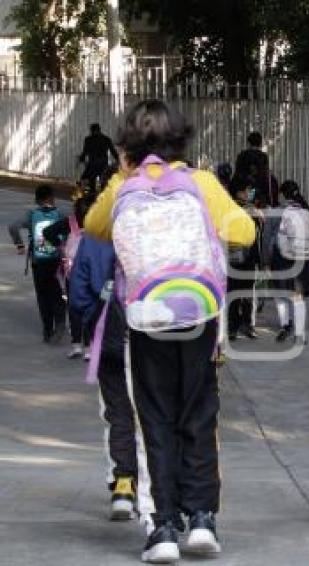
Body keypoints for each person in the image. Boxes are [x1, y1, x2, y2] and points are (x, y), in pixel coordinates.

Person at [85, 100, 256, 564]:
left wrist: (126, 177)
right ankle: (201, 518)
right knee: (199, 414)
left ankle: (161, 527)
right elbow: (243, 233)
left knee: (154, 419)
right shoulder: (200, 183)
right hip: (198, 316)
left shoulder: (124, 187)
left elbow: (93, 226)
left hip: (145, 319)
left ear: (127, 147)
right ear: (181, 139)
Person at [69, 222, 138, 521]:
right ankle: (158, 493)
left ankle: (122, 484)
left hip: (109, 332)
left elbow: (77, 291)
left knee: (115, 408)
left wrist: (94, 318)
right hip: (156, 335)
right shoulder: (163, 226)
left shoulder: (95, 236)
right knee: (156, 413)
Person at [8, 184, 67, 343]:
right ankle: (60, 322)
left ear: (36, 199)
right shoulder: (60, 214)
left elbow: (13, 227)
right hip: (56, 260)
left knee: (43, 296)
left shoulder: (31, 215)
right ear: (52, 198)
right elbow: (70, 230)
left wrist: (20, 245)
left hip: (38, 262)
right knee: (57, 292)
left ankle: (47, 330)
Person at [262, 180, 309, 344]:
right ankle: (300, 334)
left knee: (281, 294)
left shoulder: (276, 212)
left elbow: (266, 239)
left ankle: (285, 327)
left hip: (281, 258)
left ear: (281, 194)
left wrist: (265, 261)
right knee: (297, 296)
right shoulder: (306, 211)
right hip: (303, 258)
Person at [44, 195, 91, 359]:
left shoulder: (69, 223)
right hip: (92, 272)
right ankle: (89, 348)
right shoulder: (98, 224)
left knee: (74, 308)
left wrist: (61, 247)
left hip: (72, 272)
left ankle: (76, 345)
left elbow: (47, 232)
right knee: (91, 309)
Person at [226, 183, 262, 341]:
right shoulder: (234, 209)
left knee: (240, 293)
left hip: (240, 259)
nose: (250, 193)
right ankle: (240, 326)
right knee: (242, 294)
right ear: (239, 192)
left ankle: (238, 326)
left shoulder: (250, 210)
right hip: (240, 258)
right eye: (248, 190)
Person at [234, 131, 276, 206]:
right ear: (260, 143)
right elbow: (265, 175)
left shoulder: (242, 155)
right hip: (259, 192)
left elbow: (238, 174)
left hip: (244, 192)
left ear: (249, 143)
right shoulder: (263, 157)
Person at [80, 123, 119, 194]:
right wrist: (119, 160)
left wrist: (81, 159)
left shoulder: (88, 140)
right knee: (104, 183)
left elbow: (85, 152)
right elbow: (114, 152)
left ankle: (89, 196)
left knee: (86, 180)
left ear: (91, 131)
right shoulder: (106, 139)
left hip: (92, 165)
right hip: (103, 165)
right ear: (99, 130)